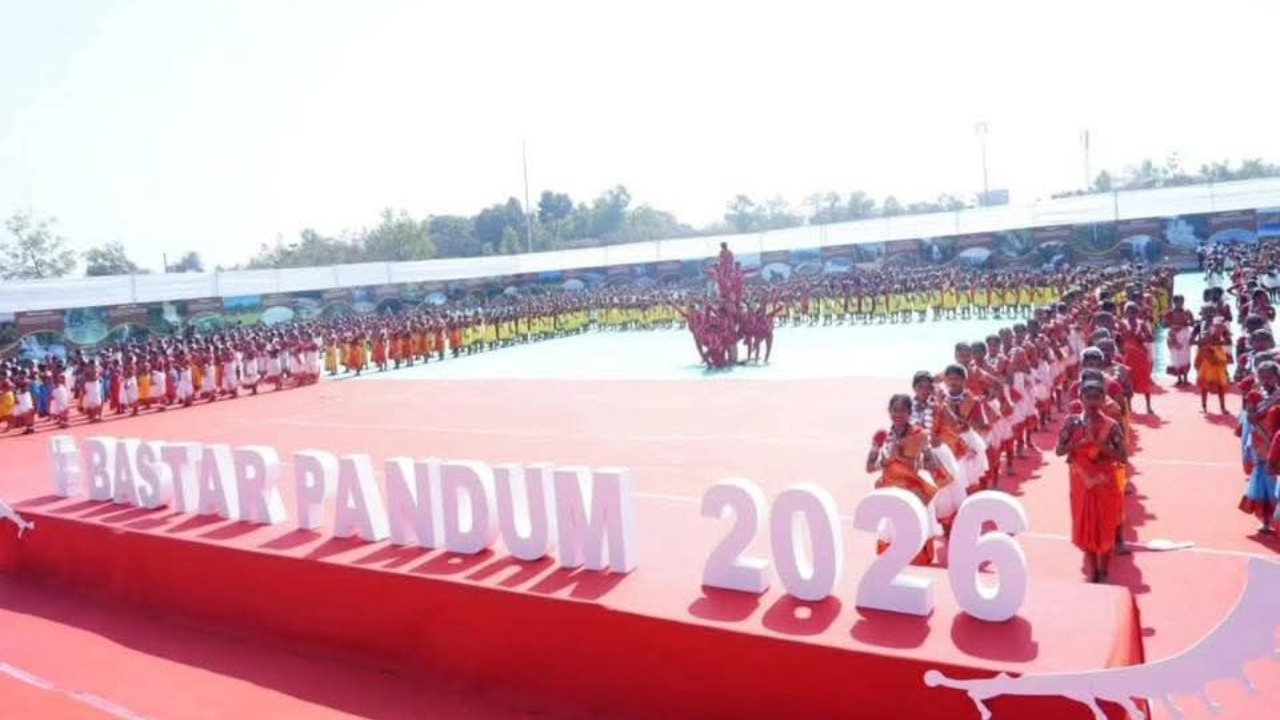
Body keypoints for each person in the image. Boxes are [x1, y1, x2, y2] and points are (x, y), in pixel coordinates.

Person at [1056, 379, 1127, 583]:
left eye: (1097, 397)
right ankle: (1093, 570)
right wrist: (1078, 444)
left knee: (1105, 523)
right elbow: (1059, 450)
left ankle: (1104, 570)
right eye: (1088, 397)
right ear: (1081, 399)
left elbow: (1123, 457)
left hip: (1105, 481)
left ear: (1104, 399)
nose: (1092, 402)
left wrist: (1100, 445)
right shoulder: (1071, 423)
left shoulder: (1112, 425)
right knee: (1085, 523)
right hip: (1081, 481)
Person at [866, 393, 941, 566]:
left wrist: (907, 459)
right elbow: (869, 468)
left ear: (909, 412)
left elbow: (932, 463)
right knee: (891, 535)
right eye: (894, 410)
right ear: (889, 411)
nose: (898, 414)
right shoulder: (882, 436)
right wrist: (885, 460)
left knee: (915, 527)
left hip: (912, 487)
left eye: (902, 410)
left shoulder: (920, 434)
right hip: (890, 486)